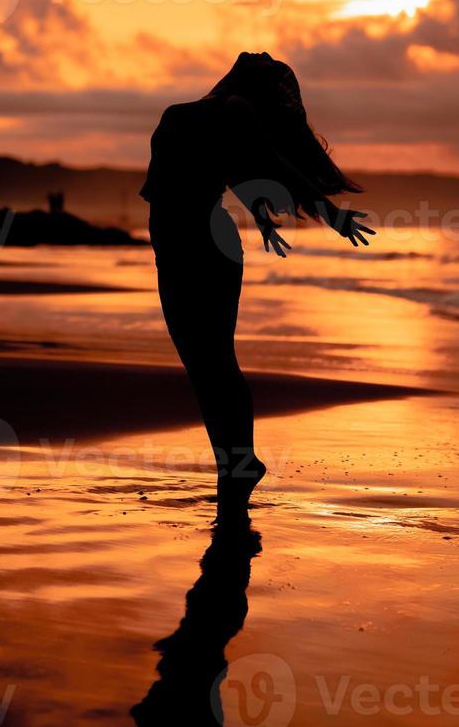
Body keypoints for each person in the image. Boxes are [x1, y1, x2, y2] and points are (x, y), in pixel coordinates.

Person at [139, 52, 375, 522]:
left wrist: (331, 216)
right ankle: (235, 466)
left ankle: (238, 467)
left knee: (214, 362)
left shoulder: (231, 113)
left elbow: (271, 168)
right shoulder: (209, 113)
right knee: (204, 364)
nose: (258, 54)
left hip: (203, 243)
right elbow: (236, 168)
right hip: (180, 242)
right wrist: (262, 216)